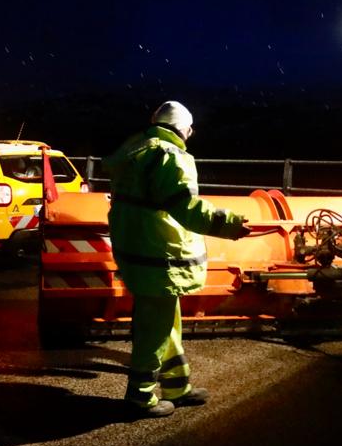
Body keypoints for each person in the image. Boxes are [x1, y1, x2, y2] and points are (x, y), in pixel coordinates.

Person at [103, 100, 251, 418]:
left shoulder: (137, 149)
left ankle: (177, 388)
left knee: (166, 325)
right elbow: (184, 207)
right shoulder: (170, 156)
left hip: (140, 251)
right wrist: (230, 224)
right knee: (154, 331)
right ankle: (140, 397)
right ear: (185, 129)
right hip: (160, 255)